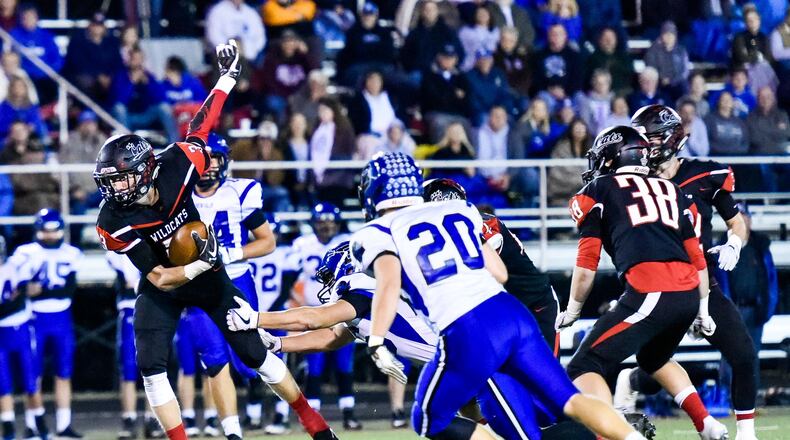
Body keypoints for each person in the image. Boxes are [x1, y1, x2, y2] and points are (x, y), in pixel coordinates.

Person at [93, 40, 337, 440]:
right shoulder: (112, 220)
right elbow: (159, 278)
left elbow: (201, 125)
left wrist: (226, 78)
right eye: (110, 181)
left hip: (207, 276)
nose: (115, 189)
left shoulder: (176, 165)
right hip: (169, 280)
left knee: (255, 353)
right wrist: (202, 262)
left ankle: (314, 423)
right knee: (150, 364)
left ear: (145, 170)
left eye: (120, 178)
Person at [350, 151, 647, 440]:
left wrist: (376, 341)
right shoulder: (459, 210)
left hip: (468, 327)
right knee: (569, 400)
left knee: (427, 418)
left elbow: (388, 285)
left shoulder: (375, 233)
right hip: (513, 314)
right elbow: (500, 272)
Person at [557, 125, 728, 440]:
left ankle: (620, 435)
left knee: (585, 365)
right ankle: (707, 425)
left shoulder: (599, 189)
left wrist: (573, 309)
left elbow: (587, 265)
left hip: (653, 289)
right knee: (653, 358)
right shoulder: (671, 189)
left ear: (612, 157)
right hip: (688, 293)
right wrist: (703, 309)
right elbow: (698, 258)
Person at [621, 104, 759, 440]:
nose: (646, 145)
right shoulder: (637, 182)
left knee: (743, 354)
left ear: (671, 137)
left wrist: (734, 245)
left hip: (702, 283)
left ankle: (747, 433)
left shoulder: (703, 174)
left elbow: (737, 223)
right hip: (660, 286)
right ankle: (632, 379)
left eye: (652, 138)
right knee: (653, 365)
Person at [229, 241, 434, 430]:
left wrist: (255, 318)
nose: (327, 285)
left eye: (328, 278)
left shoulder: (363, 286)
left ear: (349, 268)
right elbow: (331, 336)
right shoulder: (362, 300)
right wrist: (278, 343)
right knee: (434, 416)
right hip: (438, 359)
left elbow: (314, 319)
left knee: (429, 419)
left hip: (445, 356)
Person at [191, 133, 280, 434]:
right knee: (214, 360)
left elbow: (268, 242)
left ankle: (291, 406)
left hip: (237, 279)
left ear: (224, 161)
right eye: (202, 159)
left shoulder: (240, 191)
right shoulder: (179, 196)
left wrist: (232, 253)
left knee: (250, 360)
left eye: (213, 159)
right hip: (197, 283)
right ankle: (233, 432)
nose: (207, 166)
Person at [281, 203, 362, 430]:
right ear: (313, 224)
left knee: (344, 365)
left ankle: (348, 414)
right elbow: (287, 279)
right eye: (321, 222)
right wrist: (296, 304)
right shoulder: (302, 244)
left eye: (331, 222)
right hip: (313, 313)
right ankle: (313, 417)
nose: (326, 227)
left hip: (341, 312)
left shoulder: (348, 242)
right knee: (314, 367)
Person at [10, 210, 83, 438]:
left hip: (61, 318)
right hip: (34, 318)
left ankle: (64, 424)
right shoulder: (25, 253)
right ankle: (32, 424)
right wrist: (27, 290)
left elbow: (69, 289)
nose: (50, 236)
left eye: (54, 231)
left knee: (64, 372)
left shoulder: (71, 253)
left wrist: (38, 291)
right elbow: (18, 287)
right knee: (32, 374)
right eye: (46, 231)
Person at [715, 203, 778, 396]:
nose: (742, 220)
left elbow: (771, 279)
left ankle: (750, 399)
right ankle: (727, 397)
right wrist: (724, 309)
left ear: (749, 220)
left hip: (754, 310)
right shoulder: (723, 246)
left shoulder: (760, 247)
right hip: (733, 309)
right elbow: (718, 281)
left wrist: (766, 309)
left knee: (752, 355)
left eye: (744, 216)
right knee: (729, 354)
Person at [245, 219, 296, 434]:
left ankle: (281, 414)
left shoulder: (284, 253)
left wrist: (265, 314)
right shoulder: (246, 253)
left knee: (279, 367)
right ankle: (253, 414)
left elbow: (286, 289)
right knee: (253, 365)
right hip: (255, 316)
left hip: (271, 317)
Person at [0, 235, 51, 440]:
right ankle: (9, 428)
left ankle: (40, 425)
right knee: (3, 384)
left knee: (30, 380)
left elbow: (22, 298)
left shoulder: (15, 266)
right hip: (4, 332)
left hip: (20, 329)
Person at [106, 252, 142, 440]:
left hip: (153, 308)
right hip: (129, 309)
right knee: (128, 368)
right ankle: (129, 418)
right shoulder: (117, 253)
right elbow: (127, 284)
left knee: (156, 367)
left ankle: (154, 419)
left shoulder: (154, 243)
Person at [111, 47, 178, 143]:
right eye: (134, 59)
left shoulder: (149, 77)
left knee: (164, 107)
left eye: (140, 59)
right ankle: (126, 145)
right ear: (129, 60)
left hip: (145, 115)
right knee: (119, 108)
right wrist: (132, 82)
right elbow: (120, 101)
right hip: (129, 116)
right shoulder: (121, 76)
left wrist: (147, 84)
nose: (137, 62)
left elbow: (160, 98)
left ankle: (174, 144)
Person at [254, 30, 316, 122]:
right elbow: (270, 82)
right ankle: (282, 127)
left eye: (292, 41)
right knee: (273, 102)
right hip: (279, 94)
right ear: (281, 43)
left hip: (299, 94)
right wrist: (287, 95)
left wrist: (305, 54)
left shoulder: (302, 58)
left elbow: (314, 71)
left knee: (309, 102)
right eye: (286, 42)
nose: (289, 45)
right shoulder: (272, 58)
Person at [62, 13, 123, 101]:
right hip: (87, 78)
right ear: (90, 25)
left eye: (100, 25)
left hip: (108, 78)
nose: (97, 28)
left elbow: (117, 62)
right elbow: (78, 64)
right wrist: (98, 75)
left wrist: (110, 76)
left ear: (104, 27)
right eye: (95, 25)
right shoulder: (78, 41)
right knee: (85, 81)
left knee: (120, 81)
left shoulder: (112, 42)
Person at [10, 4, 62, 103]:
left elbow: (56, 59)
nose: (28, 21)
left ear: (36, 18)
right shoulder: (15, 35)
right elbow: (9, 56)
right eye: (25, 18)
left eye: (31, 17)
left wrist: (51, 72)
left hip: (45, 77)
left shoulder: (46, 36)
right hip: (24, 76)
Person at [309, 98, 356, 206]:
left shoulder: (344, 129)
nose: (322, 113)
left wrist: (330, 178)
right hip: (318, 178)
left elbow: (346, 156)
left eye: (325, 110)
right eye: (320, 110)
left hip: (337, 180)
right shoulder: (316, 129)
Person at [336, 2, 397, 86]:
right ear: (361, 16)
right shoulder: (353, 32)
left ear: (376, 16)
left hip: (380, 64)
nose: (368, 18)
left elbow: (388, 52)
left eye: (371, 15)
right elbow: (349, 53)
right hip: (360, 65)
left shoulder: (384, 33)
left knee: (392, 75)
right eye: (365, 15)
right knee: (354, 74)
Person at [420, 44, 472, 141]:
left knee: (466, 124)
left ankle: (465, 151)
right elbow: (432, 98)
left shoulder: (461, 76)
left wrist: (447, 95)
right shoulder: (430, 75)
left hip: (457, 114)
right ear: (439, 58)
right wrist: (454, 95)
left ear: (455, 59)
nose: (448, 60)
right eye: (445, 57)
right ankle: (440, 150)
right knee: (439, 123)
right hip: (436, 113)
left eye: (451, 58)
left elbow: (466, 99)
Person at [400, 0, 464, 77]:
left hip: (444, 70)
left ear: (437, 11)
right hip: (420, 72)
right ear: (422, 12)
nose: (429, 12)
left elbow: (459, 51)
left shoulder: (447, 31)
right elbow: (405, 56)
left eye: (432, 9)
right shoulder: (415, 34)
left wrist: (452, 61)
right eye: (426, 10)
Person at [465, 49, 516, 124]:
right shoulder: (469, 76)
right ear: (477, 61)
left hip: (499, 110)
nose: (485, 62)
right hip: (481, 112)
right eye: (482, 60)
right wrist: (491, 113)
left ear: (492, 60)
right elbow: (472, 100)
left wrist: (502, 109)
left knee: (511, 117)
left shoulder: (498, 73)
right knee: (482, 118)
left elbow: (505, 94)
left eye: (488, 59)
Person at [547, 118, 591, 206]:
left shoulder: (592, 148)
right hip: (562, 194)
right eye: (577, 128)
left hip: (585, 195)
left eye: (582, 128)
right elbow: (557, 173)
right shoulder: (561, 148)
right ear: (571, 130)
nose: (579, 131)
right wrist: (581, 181)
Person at [532, 24, 584, 94]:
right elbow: (536, 80)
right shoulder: (539, 55)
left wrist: (565, 92)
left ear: (565, 36)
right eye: (553, 34)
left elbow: (577, 79)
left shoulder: (574, 55)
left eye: (559, 34)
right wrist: (550, 90)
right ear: (548, 36)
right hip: (546, 93)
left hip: (570, 93)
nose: (556, 37)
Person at [644, 21, 689, 100]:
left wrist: (672, 81)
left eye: (671, 34)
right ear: (662, 35)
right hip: (660, 83)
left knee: (683, 87)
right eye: (666, 34)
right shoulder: (653, 50)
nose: (669, 37)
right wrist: (662, 78)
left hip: (677, 83)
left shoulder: (681, 51)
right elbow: (651, 68)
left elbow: (684, 71)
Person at [347, 70, 398, 137]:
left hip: (392, 133)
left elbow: (395, 118)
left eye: (377, 81)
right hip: (369, 135)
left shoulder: (388, 97)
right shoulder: (359, 100)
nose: (374, 84)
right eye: (371, 80)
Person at [586, 27, 634, 95]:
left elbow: (630, 77)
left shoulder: (624, 57)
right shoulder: (592, 59)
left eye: (611, 38)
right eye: (605, 38)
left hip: (621, 93)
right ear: (600, 40)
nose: (609, 40)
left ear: (616, 40)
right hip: (599, 94)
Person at [0, 75, 47, 142]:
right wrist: (13, 129)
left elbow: (37, 124)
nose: (18, 89)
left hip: (29, 139)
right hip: (8, 139)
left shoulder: (31, 107)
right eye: (15, 86)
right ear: (11, 88)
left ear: (25, 88)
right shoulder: (4, 106)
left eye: (21, 86)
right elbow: (1, 125)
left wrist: (28, 128)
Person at [705, 91, 750, 156]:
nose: (726, 102)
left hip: (737, 158)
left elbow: (745, 143)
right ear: (718, 102)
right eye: (723, 99)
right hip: (716, 157)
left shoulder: (740, 122)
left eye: (729, 100)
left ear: (733, 103)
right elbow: (706, 142)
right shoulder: (709, 120)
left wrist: (734, 152)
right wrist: (724, 150)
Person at [492, 26, 531, 97]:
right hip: (501, 92)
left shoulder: (522, 56)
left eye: (511, 40)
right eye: (504, 40)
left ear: (515, 42)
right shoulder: (494, 57)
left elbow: (526, 77)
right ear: (500, 40)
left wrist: (519, 90)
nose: (507, 43)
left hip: (520, 92)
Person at [458, 6, 500, 71]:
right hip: (470, 64)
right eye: (479, 14)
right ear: (475, 15)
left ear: (489, 15)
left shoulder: (495, 31)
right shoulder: (465, 31)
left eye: (484, 13)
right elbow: (460, 48)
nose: (482, 15)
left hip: (490, 65)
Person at [576, 69, 615, 134]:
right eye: (598, 83)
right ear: (593, 83)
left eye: (604, 83)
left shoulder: (614, 100)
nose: (601, 86)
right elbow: (584, 121)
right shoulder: (585, 100)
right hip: (591, 135)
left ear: (609, 84)